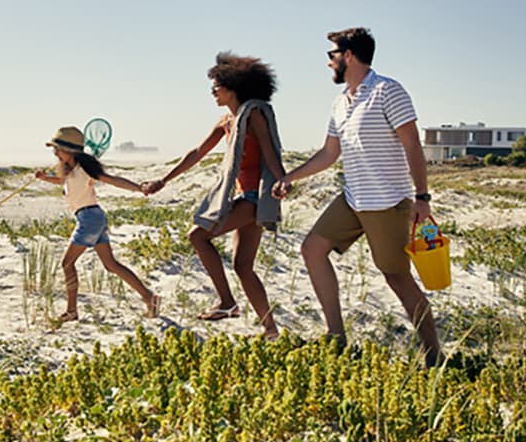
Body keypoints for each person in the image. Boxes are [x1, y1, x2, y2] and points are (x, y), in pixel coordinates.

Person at [272, 27, 443, 366]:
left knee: (397, 278)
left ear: (348, 56)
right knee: (312, 249)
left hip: (387, 203)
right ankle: (336, 337)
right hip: (352, 199)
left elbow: (412, 143)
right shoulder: (340, 102)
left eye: (331, 55)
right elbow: (328, 153)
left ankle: (435, 356)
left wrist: (422, 197)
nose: (328, 63)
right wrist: (290, 177)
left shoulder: (387, 91)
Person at [143, 52, 285, 339]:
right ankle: (270, 330)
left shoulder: (253, 114)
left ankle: (228, 303)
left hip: (254, 198)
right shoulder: (226, 121)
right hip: (244, 197)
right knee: (243, 266)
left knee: (198, 235)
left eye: (217, 86)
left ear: (233, 87)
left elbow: (270, 152)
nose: (212, 91)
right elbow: (197, 153)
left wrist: (283, 180)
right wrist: (164, 179)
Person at [35, 126, 160, 322]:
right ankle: (149, 298)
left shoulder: (85, 168)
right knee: (111, 265)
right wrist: (45, 178)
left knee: (67, 264)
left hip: (89, 219)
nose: (55, 153)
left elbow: (112, 180)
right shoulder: (72, 170)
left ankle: (71, 311)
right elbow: (64, 182)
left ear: (69, 150)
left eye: (57, 149)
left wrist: (139, 188)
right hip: (94, 217)